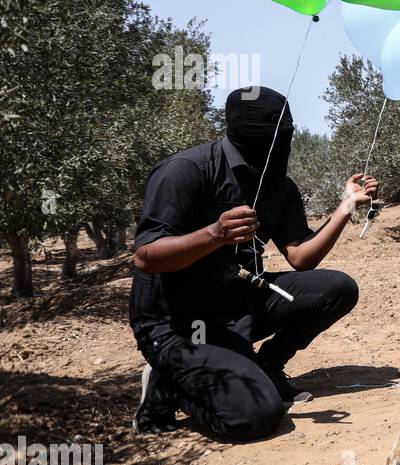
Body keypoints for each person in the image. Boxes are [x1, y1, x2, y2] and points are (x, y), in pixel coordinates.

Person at [130, 87, 378, 440]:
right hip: (176, 324)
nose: (284, 139)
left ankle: (267, 366)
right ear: (247, 130)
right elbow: (146, 257)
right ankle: (168, 386)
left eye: (288, 129)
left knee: (337, 288)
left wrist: (347, 206)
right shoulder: (186, 171)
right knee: (255, 417)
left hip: (239, 304)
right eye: (278, 131)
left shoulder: (279, 186)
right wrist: (214, 234)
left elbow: (301, 257)